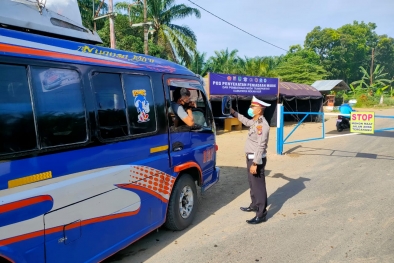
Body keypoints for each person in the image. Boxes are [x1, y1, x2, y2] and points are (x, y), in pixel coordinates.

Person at [230, 96, 271, 224]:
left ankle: (261, 213)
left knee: (258, 186)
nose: (250, 108)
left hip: (256, 160)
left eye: (253, 107)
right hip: (251, 158)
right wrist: (233, 112)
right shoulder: (255, 122)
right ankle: (254, 205)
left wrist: (255, 163)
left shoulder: (262, 125)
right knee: (252, 184)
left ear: (259, 109)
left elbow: (261, 145)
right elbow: (246, 121)